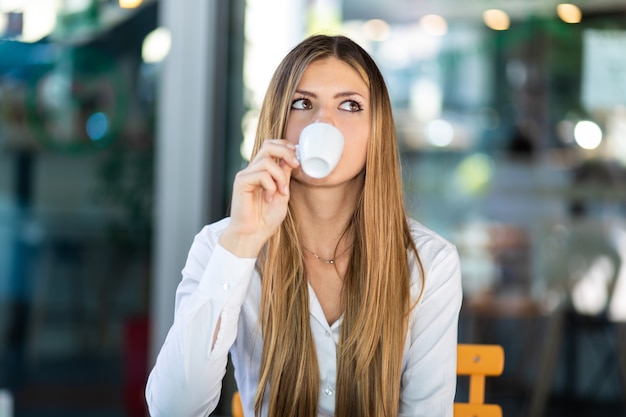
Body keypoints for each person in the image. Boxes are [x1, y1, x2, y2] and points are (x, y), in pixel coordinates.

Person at [145, 34, 462, 417]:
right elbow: (173, 408)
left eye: (349, 105)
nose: (322, 121)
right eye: (302, 103)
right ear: (279, 122)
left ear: (376, 129)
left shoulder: (430, 263)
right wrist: (243, 241)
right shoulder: (223, 245)